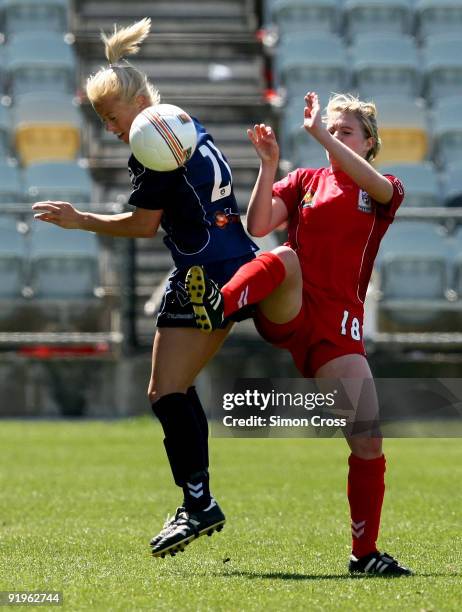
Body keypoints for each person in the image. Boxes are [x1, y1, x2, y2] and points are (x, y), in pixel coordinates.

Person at [31, 17, 259, 559]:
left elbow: (141, 225)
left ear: (134, 101)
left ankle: (198, 503)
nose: (110, 128)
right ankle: (197, 500)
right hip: (237, 262)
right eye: (102, 120)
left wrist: (79, 218)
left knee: (165, 391)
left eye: (110, 116)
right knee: (175, 390)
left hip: (203, 273)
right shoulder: (183, 121)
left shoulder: (153, 143)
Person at [186, 91, 412, 576]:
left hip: (338, 328)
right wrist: (269, 164)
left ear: (369, 142)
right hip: (290, 308)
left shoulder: (382, 187)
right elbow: (259, 223)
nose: (333, 134)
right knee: (285, 256)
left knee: (367, 443)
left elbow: (382, 190)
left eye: (345, 130)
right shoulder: (306, 180)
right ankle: (219, 304)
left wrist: (319, 133)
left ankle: (364, 555)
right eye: (330, 127)